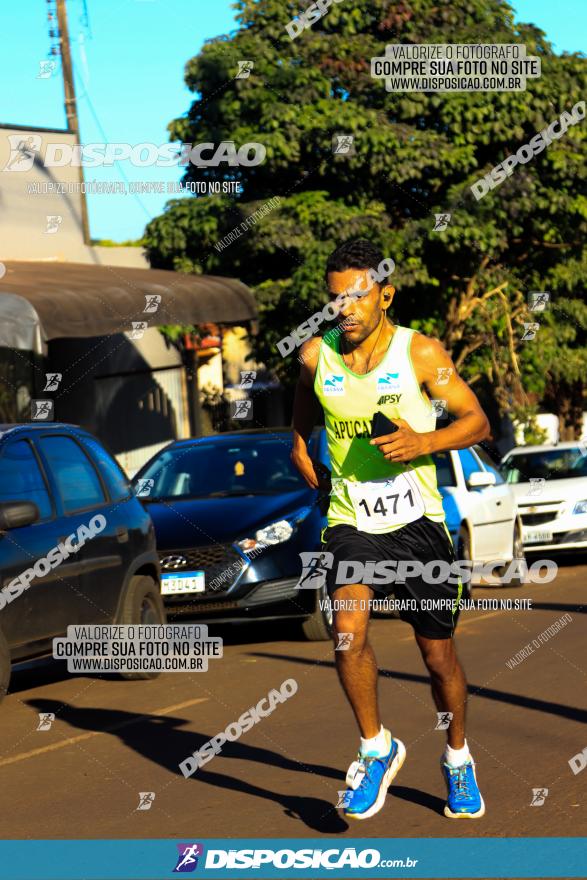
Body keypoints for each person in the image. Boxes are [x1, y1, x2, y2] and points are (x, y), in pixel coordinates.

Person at [291, 238, 490, 821]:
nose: (345, 308)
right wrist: (298, 442)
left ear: (385, 294)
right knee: (347, 626)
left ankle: (457, 759)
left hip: (419, 521)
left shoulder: (421, 353)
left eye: (357, 295)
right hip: (352, 517)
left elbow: (476, 420)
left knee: (438, 658)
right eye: (336, 298)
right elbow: (305, 399)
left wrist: (425, 441)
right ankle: (376, 748)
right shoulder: (313, 355)